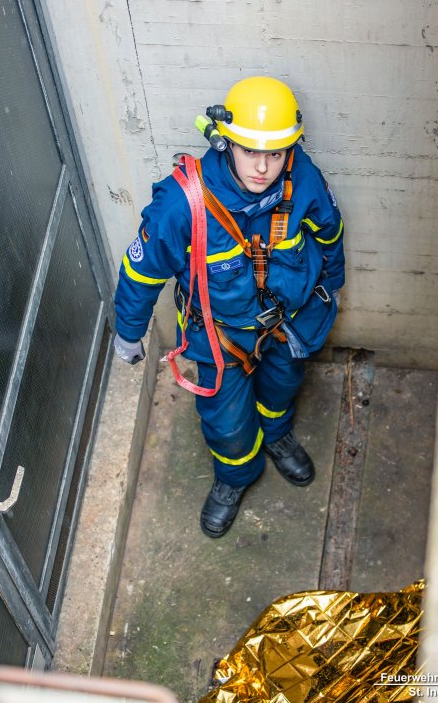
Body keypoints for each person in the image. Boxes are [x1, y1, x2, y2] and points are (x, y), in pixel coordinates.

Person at [114, 76, 345, 538]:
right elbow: (141, 273)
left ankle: (277, 436)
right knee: (226, 421)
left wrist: (331, 288)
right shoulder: (184, 205)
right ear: (224, 142)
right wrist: (128, 330)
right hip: (219, 338)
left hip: (287, 324)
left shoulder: (305, 182)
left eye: (275, 154)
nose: (262, 168)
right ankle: (235, 476)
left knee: (282, 388)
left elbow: (330, 234)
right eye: (249, 151)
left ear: (289, 149)